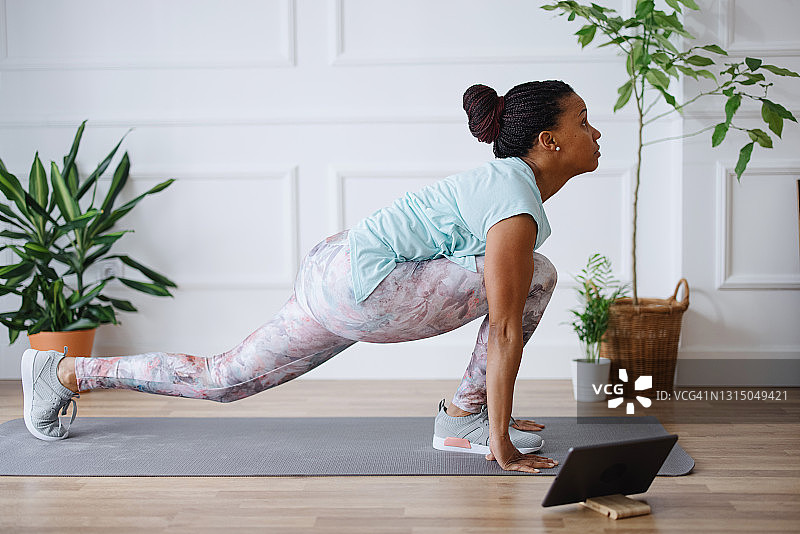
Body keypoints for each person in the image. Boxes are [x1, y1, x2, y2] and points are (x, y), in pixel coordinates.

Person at [21, 79, 601, 474]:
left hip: (339, 269)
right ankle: (469, 421)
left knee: (225, 378)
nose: (595, 132)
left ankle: (64, 371)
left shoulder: (499, 184)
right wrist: (501, 444)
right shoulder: (513, 202)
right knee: (538, 276)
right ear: (547, 141)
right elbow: (503, 330)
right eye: (583, 121)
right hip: (364, 287)